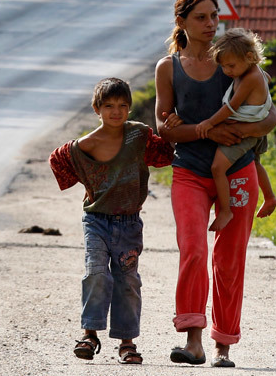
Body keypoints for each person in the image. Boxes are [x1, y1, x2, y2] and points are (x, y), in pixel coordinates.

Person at [154, 0, 276, 368]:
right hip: (190, 172)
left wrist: (236, 133)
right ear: (182, 23)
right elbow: (163, 127)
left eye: (214, 16)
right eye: (202, 18)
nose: (211, 24)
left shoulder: (235, 60)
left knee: (229, 260)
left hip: (239, 173)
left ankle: (224, 343)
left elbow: (270, 117)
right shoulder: (168, 68)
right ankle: (193, 341)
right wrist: (204, 132)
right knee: (193, 250)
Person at [48, 77, 174, 365]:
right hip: (96, 221)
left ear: (129, 108)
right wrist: (89, 183)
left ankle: (127, 343)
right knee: (96, 273)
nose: (115, 112)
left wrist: (172, 129)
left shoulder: (138, 136)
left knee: (127, 280)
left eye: (122, 106)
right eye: (108, 106)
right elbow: (58, 160)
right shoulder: (82, 147)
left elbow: (165, 154)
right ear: (96, 108)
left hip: (129, 224)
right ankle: (89, 334)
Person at [166, 27, 276, 231]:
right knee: (256, 162)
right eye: (224, 67)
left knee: (218, 168)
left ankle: (226, 210)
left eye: (230, 66)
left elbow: (232, 106)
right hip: (250, 128)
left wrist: (208, 123)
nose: (227, 72)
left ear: (250, 57)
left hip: (242, 133)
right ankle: (270, 197)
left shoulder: (251, 76)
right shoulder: (251, 70)